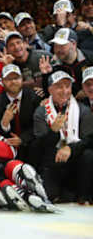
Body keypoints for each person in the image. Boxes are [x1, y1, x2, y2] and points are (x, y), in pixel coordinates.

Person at [33, 71, 93, 204]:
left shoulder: (83, 110)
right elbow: (38, 148)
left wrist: (70, 149)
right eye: (59, 86)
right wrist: (53, 132)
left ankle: (84, 195)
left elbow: (88, 140)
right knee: (49, 195)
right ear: (50, 89)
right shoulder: (41, 112)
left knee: (88, 154)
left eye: (67, 86)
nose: (64, 91)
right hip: (52, 161)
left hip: (75, 160)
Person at [0, 64, 42, 164]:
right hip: (10, 145)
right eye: (8, 79)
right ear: (2, 81)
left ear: (22, 79)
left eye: (16, 78)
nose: (13, 82)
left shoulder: (34, 97)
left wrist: (22, 139)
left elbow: (38, 126)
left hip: (31, 142)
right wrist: (5, 123)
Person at [40, 28, 93, 95]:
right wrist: (46, 75)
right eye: (56, 46)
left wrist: (85, 92)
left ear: (73, 44)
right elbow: (50, 94)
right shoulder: (54, 65)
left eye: (62, 46)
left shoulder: (90, 58)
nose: (58, 50)